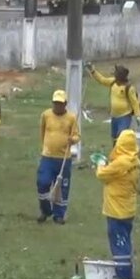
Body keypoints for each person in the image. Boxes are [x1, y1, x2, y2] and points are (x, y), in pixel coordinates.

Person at [95, 129, 140, 279]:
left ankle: (122, 276)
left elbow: (102, 175)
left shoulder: (122, 162)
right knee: (125, 240)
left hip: (116, 209)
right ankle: (127, 271)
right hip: (128, 207)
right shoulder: (135, 161)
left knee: (118, 241)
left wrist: (100, 164)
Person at [36, 90, 80, 224]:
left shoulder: (71, 118)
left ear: (65, 104)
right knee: (42, 182)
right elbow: (42, 131)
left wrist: (73, 140)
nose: (57, 106)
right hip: (48, 157)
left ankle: (58, 214)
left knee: (62, 187)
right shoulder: (46, 115)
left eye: (60, 103)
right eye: (55, 103)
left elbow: (77, 136)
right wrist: (45, 146)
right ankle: (45, 210)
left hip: (63, 159)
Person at [87, 63, 140, 143]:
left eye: (117, 73)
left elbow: (135, 103)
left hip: (125, 116)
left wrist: (138, 116)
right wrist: (93, 71)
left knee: (121, 137)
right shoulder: (113, 82)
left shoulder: (129, 87)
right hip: (114, 116)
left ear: (122, 75)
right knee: (114, 137)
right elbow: (102, 80)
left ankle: (122, 153)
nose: (115, 74)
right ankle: (115, 153)